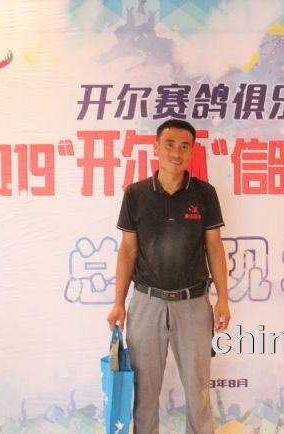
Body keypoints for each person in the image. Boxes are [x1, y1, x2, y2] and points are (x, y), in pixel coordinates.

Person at [107, 118, 231, 433]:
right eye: (170, 144)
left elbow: (214, 247)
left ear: (192, 151)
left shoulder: (204, 194)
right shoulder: (136, 194)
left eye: (184, 146)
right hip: (146, 302)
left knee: (198, 391)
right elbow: (127, 250)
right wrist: (119, 303)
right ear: (156, 147)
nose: (177, 152)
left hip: (193, 303)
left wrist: (223, 299)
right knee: (144, 393)